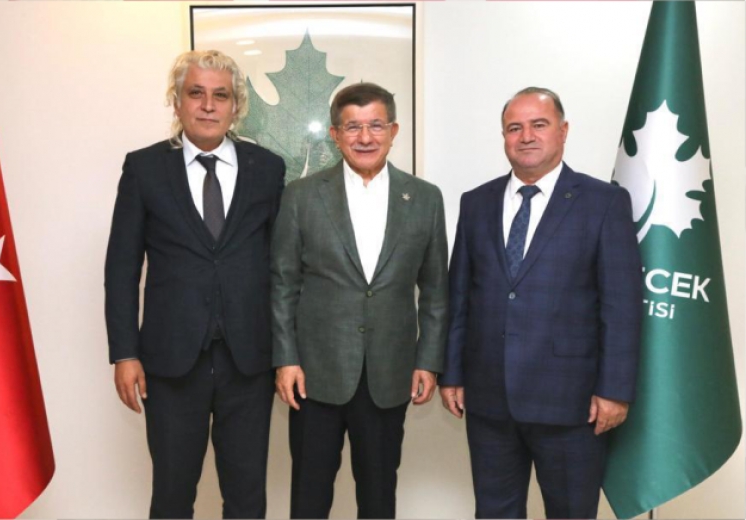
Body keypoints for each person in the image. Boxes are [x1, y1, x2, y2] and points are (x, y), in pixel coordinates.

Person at [439, 87, 642, 519]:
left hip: (572, 402)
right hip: (489, 399)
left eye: (539, 125)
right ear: (504, 136)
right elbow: (460, 297)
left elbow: (621, 305)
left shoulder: (603, 202)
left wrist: (614, 390)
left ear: (563, 131)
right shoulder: (476, 202)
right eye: (514, 128)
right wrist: (452, 373)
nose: (526, 136)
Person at [104, 50, 285, 519]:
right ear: (177, 101)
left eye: (220, 95)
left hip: (249, 362)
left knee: (247, 498)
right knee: (171, 494)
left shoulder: (267, 169)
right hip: (169, 364)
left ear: (235, 105)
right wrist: (124, 353)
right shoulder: (144, 169)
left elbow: (282, 269)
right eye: (196, 93)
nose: (208, 105)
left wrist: (287, 354)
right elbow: (121, 268)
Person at [272, 82, 449, 519]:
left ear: (393, 131)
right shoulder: (301, 196)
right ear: (335, 134)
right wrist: (286, 359)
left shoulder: (425, 198)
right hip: (314, 376)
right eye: (353, 127)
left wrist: (428, 361)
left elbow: (435, 291)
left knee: (378, 499)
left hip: (389, 376)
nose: (365, 137)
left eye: (375, 126)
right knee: (309, 499)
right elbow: (282, 284)